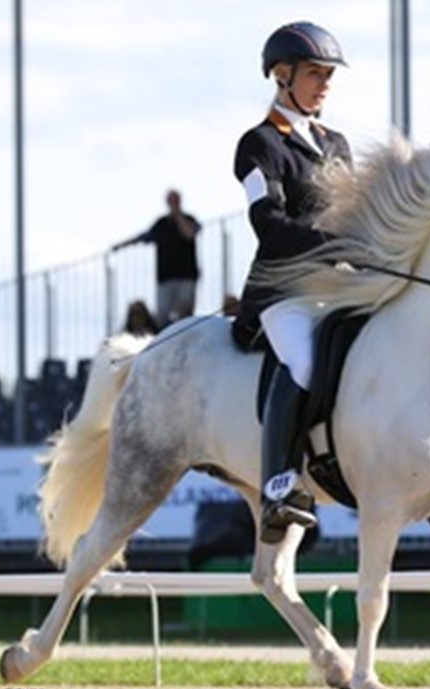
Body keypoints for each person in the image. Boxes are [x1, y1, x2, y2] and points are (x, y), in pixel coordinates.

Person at [231, 21, 352, 543]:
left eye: (328, 75)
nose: (325, 83)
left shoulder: (337, 143)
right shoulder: (259, 144)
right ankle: (279, 485)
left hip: (340, 285)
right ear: (282, 77)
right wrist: (333, 246)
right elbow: (268, 222)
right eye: (314, 74)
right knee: (303, 361)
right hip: (283, 289)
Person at [111, 189, 201, 330]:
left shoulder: (189, 219)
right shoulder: (160, 224)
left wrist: (178, 215)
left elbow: (189, 234)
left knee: (185, 314)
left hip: (186, 276)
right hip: (165, 278)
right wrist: (121, 245)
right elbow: (143, 237)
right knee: (163, 316)